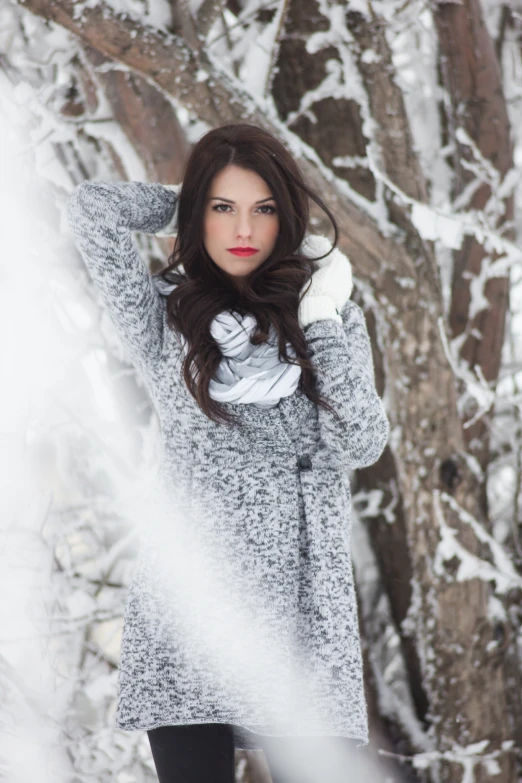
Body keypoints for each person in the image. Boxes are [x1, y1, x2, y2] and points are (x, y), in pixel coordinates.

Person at [66, 123, 389, 782]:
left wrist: (322, 317)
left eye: (264, 208)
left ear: (286, 217)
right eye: (223, 207)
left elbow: (358, 438)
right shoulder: (164, 318)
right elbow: (90, 210)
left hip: (303, 625)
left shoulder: (327, 317)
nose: (244, 227)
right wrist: (186, 202)